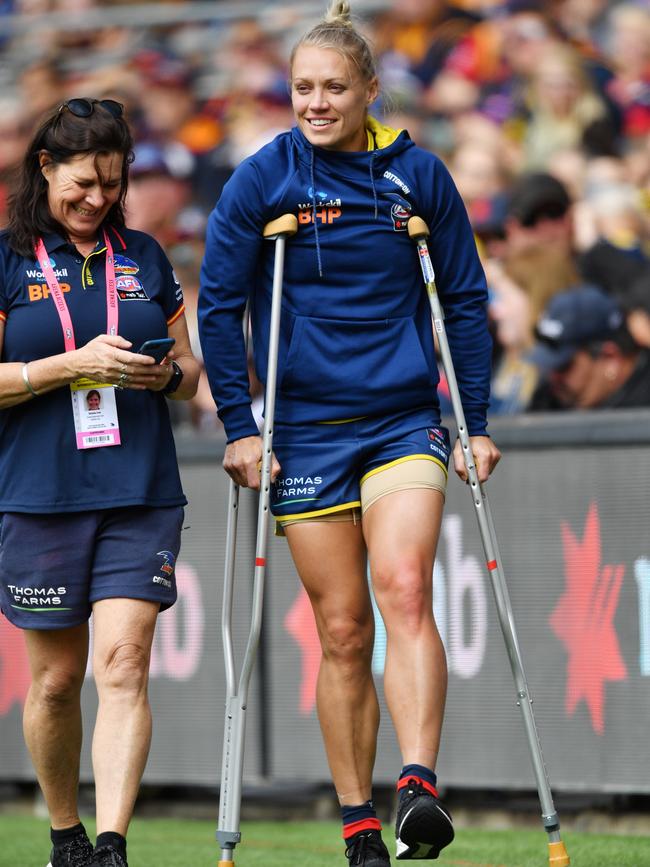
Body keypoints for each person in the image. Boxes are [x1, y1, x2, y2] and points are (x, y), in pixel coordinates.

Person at [199, 3, 500, 864]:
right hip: (305, 430)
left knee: (403, 586)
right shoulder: (262, 179)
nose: (317, 103)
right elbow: (218, 307)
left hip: (404, 418)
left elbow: (467, 300)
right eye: (303, 88)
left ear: (371, 89)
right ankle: (359, 822)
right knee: (342, 631)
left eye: (335, 88)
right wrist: (240, 425)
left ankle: (417, 784)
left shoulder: (420, 176)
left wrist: (473, 422)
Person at [0, 97, 200, 867]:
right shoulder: (9, 261)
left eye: (112, 184)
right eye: (83, 182)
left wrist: (166, 375)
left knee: (124, 661)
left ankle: (112, 843)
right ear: (45, 167)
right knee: (55, 683)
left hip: (138, 487)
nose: (97, 199)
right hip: (38, 492)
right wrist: (68, 366)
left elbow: (190, 378)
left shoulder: (145, 254)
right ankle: (66, 836)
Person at [529, 284, 650, 410]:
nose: (553, 377)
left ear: (612, 359)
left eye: (563, 367)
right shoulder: (548, 399)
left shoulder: (643, 409)